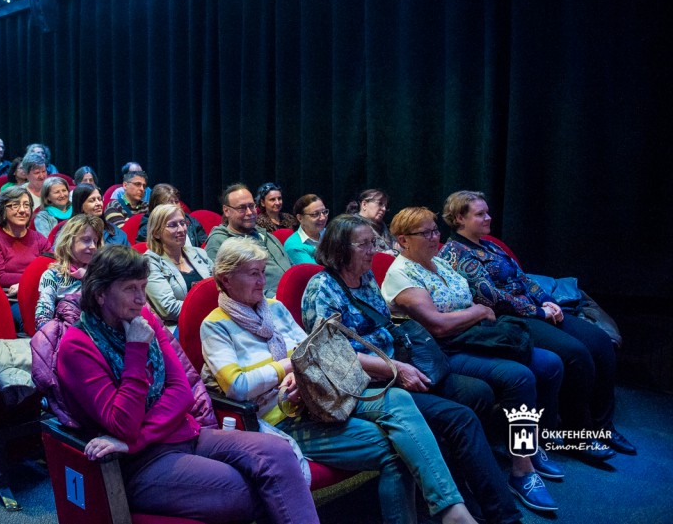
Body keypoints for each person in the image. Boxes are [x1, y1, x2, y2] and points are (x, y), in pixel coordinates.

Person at [202, 238, 478, 524]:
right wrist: (292, 366)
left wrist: (299, 372)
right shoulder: (215, 325)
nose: (262, 281)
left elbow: (313, 351)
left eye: (262, 271)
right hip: (278, 420)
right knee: (395, 452)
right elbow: (239, 386)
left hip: (319, 398)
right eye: (252, 274)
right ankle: (450, 510)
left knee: (398, 398)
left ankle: (451, 507)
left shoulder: (275, 307)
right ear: (226, 279)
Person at [56, 245, 319, 523]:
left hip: (182, 435)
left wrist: (136, 440)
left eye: (143, 287)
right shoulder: (77, 346)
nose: (141, 299)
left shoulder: (142, 319)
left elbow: (182, 393)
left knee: (278, 453)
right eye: (130, 289)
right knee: (241, 489)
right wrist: (136, 350)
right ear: (100, 294)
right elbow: (123, 424)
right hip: (139, 463)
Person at [300, 216, 534, 518]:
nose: (373, 250)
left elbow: (386, 327)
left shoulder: (365, 277)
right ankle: (499, 513)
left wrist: (402, 362)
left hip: (400, 362)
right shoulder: (322, 288)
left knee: (478, 393)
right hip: (367, 383)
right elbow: (332, 355)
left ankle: (471, 484)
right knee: (460, 418)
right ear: (340, 248)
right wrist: (396, 369)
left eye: (373, 242)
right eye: (364, 245)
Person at [380, 207, 566, 507]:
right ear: (403, 240)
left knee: (549, 363)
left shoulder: (439, 263)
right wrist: (478, 311)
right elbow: (438, 326)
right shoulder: (400, 274)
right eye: (425, 233)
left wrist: (474, 313)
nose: (435, 237)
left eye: (435, 230)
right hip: (442, 351)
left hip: (473, 339)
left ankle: (529, 445)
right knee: (519, 376)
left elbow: (465, 306)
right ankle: (522, 469)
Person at [439, 191, 633, 457]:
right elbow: (491, 298)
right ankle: (580, 436)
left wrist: (548, 301)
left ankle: (603, 427)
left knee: (600, 342)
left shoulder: (490, 246)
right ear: (460, 218)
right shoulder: (455, 253)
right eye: (480, 214)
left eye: (487, 212)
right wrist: (539, 312)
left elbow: (524, 279)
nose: (489, 217)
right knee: (576, 354)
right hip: (510, 319)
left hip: (534, 309)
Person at [205, 183, 292, 298]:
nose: (250, 212)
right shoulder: (220, 242)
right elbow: (229, 288)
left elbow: (291, 267)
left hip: (292, 296)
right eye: (242, 208)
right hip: (265, 302)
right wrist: (275, 298)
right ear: (226, 211)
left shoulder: (265, 235)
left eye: (251, 206)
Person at [144, 203, 213, 327]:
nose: (181, 230)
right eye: (173, 225)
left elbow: (221, 288)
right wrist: (209, 306)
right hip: (178, 327)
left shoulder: (199, 253)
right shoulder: (150, 261)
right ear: (156, 233)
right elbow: (168, 309)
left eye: (183, 223)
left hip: (211, 321)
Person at [34, 214, 103, 329]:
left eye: (95, 242)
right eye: (86, 240)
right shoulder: (53, 276)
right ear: (69, 242)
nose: (93, 246)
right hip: (66, 334)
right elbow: (43, 318)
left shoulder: (101, 275)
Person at [0, 186, 51, 298]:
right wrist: (30, 280)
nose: (22, 210)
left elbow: (53, 269)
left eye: (26, 205)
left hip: (41, 293)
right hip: (10, 297)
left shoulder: (39, 239)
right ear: (3, 210)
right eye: (15, 205)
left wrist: (28, 283)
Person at [135, 183, 207, 247]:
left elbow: (204, 245)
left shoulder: (191, 221)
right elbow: (143, 249)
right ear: (157, 206)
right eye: (170, 203)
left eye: (176, 201)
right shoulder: (149, 225)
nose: (175, 206)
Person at [283, 194, 328, 265]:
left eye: (324, 212)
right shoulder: (294, 245)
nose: (323, 218)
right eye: (315, 214)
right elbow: (314, 271)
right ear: (300, 218)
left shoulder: (331, 234)